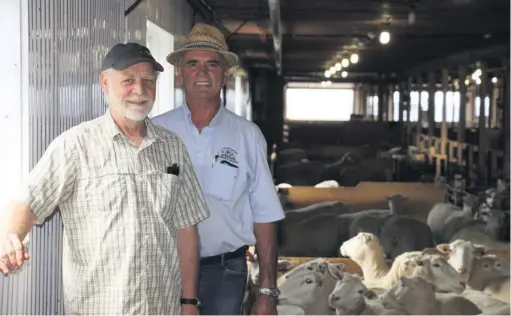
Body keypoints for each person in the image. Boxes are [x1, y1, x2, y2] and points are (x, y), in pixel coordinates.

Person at [0, 42, 209, 315]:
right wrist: (10, 235)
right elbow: (27, 199)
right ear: (105, 83)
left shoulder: (173, 148)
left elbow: (187, 230)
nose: (140, 90)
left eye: (148, 81)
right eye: (128, 81)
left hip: (162, 308)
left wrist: (189, 302)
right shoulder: (76, 145)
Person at [152, 23, 285, 315]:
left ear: (225, 75)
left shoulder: (247, 135)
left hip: (226, 273)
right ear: (179, 74)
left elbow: (265, 214)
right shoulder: (156, 132)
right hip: (164, 271)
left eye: (212, 64)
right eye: (193, 64)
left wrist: (266, 290)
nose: (202, 73)